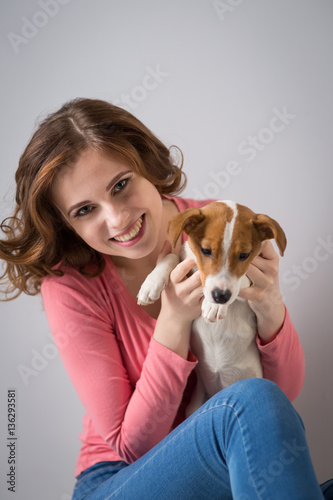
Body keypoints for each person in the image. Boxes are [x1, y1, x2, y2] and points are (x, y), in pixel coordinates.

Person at [0, 98, 330, 499]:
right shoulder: (70, 285)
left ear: (147, 165)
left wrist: (269, 303)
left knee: (258, 404)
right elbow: (133, 447)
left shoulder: (218, 231)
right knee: (249, 403)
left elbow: (283, 395)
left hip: (225, 464)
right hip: (120, 478)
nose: (118, 219)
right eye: (85, 210)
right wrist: (173, 321)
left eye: (121, 185)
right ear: (65, 224)